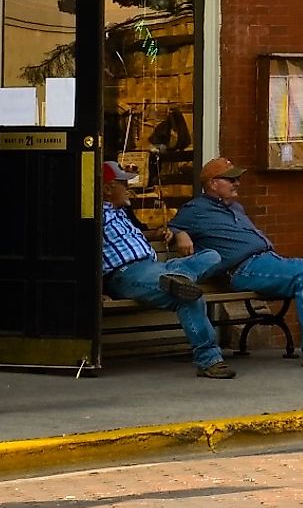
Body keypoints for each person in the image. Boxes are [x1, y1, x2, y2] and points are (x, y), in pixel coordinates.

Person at [169, 156, 303, 366]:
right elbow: (168, 228)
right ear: (212, 183)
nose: (237, 183)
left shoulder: (235, 207)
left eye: (237, 178)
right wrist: (180, 233)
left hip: (271, 261)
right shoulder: (195, 210)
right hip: (243, 269)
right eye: (231, 179)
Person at [99, 162, 234, 379]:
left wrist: (161, 233)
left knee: (212, 256)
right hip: (128, 273)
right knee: (189, 297)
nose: (129, 189)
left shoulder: (121, 212)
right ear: (107, 189)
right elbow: (83, 256)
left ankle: (179, 278)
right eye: (124, 184)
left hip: (158, 267)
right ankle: (209, 360)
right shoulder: (93, 217)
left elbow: (135, 237)